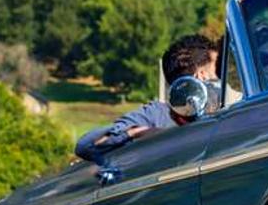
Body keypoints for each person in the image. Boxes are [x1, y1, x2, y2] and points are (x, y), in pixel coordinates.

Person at [75, 34, 219, 163]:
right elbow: (86, 145)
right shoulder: (156, 115)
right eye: (217, 71)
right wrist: (140, 132)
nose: (221, 80)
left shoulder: (226, 108)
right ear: (200, 76)